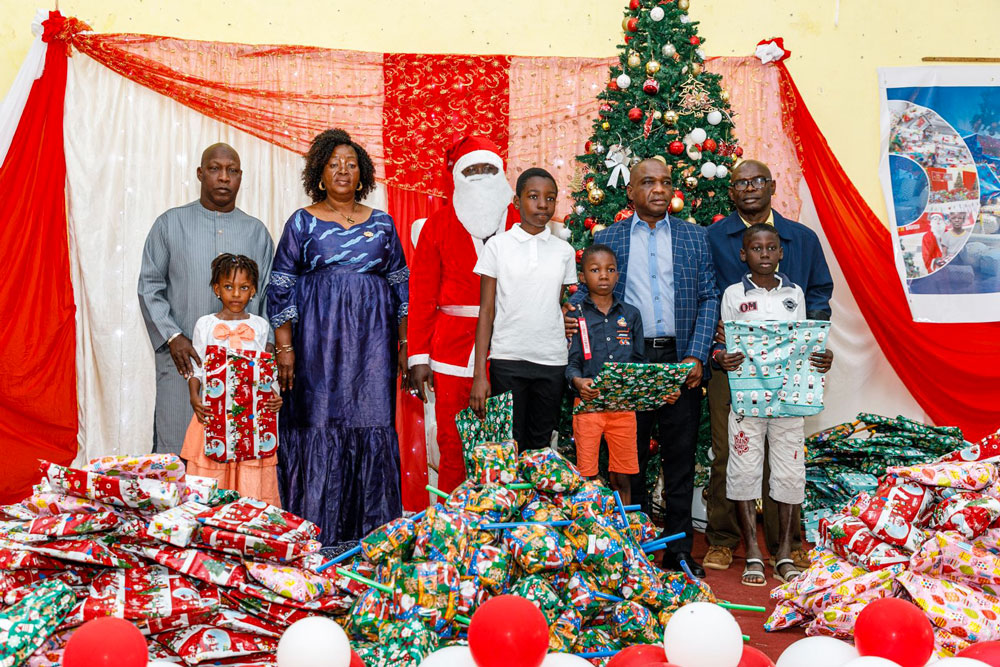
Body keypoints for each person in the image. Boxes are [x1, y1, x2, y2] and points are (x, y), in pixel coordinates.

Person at [566, 157, 719, 577]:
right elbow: (586, 291)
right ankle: (628, 546)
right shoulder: (610, 237)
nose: (658, 189)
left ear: (673, 190)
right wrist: (570, 317)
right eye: (648, 182)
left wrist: (697, 355)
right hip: (628, 364)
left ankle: (678, 550)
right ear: (630, 191)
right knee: (627, 461)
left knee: (680, 459)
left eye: (665, 182)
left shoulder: (694, 237)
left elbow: (709, 296)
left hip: (679, 362)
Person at [267, 128, 408, 546]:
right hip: (316, 348)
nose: (343, 171)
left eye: (351, 164)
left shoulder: (383, 224)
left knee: (372, 426)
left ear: (362, 173)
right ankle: (317, 537)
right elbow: (279, 286)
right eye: (334, 164)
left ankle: (373, 540)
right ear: (320, 173)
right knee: (317, 426)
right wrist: (286, 348)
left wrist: (403, 347)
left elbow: (401, 286)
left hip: (373, 351)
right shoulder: (302, 222)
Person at [704, 159, 833, 572]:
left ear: (773, 185)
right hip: (735, 367)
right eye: (741, 183)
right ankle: (724, 539)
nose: (749, 188)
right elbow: (709, 296)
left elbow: (819, 293)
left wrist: (812, 342)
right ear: (732, 192)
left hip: (792, 369)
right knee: (729, 453)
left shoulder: (802, 238)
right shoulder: (714, 236)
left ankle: (786, 544)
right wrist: (715, 345)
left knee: (787, 455)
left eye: (758, 180)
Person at [138, 144, 274, 456]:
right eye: (214, 169)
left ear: (241, 177)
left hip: (244, 374)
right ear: (200, 174)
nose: (224, 177)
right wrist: (172, 336)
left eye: (232, 170)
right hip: (185, 364)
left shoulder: (257, 232)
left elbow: (269, 296)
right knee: (179, 453)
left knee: (239, 454)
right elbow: (149, 286)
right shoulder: (169, 224)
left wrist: (264, 362)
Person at [407, 136, 519, 492]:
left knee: (506, 446)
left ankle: (501, 528)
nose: (482, 176)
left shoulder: (522, 221)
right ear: (458, 177)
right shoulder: (436, 225)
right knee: (452, 441)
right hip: (451, 350)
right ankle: (452, 525)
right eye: (473, 170)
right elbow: (421, 294)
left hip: (510, 346)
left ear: (501, 173)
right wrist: (418, 357)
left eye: (489, 169)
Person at [470, 168, 576, 450]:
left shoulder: (563, 251)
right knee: (508, 447)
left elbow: (556, 302)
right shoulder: (497, 246)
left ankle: (537, 497)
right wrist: (480, 374)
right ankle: (512, 497)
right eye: (533, 197)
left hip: (552, 362)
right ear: (516, 202)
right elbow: (487, 311)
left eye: (550, 198)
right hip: (508, 360)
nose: (543, 205)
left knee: (540, 449)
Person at [181, 254, 282, 506]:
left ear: (253, 290)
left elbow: (266, 370)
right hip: (214, 413)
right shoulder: (205, 324)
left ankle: (247, 524)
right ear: (217, 289)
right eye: (228, 287)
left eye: (244, 287)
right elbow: (197, 368)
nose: (236, 294)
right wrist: (194, 396)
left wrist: (275, 394)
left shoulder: (260, 326)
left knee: (250, 473)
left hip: (252, 417)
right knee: (211, 467)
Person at [565, 244, 647, 503]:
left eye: (610, 270)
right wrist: (577, 381)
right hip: (587, 408)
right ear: (582, 276)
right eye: (595, 269)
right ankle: (591, 529)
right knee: (587, 475)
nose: (603, 275)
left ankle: (624, 531)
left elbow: (640, 362)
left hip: (623, 409)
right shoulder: (575, 316)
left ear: (617, 275)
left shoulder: (631, 315)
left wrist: (654, 388)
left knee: (623, 474)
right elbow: (571, 361)